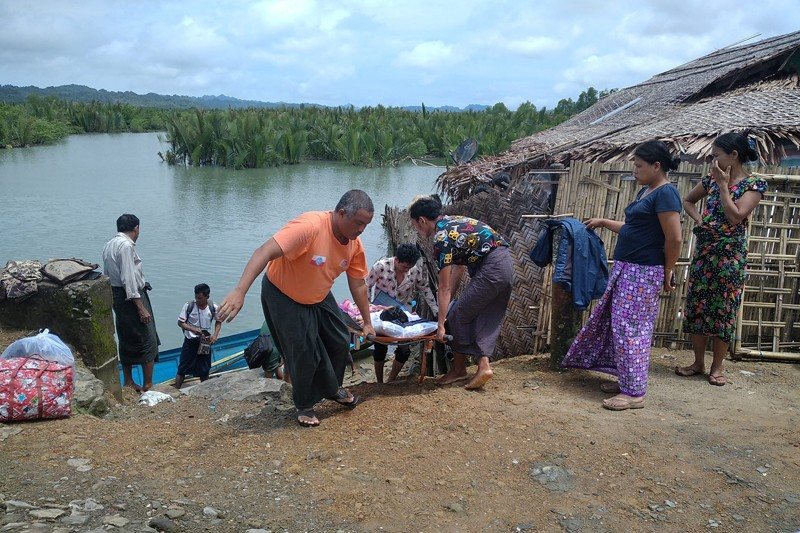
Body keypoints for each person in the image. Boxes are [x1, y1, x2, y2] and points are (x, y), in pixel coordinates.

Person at [217, 190, 376, 428]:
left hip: (318, 293)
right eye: (358, 223)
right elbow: (263, 252)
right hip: (283, 292)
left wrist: (367, 321)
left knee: (340, 340)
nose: (362, 229)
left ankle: (332, 389)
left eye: (366, 224)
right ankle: (304, 404)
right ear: (341, 213)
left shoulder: (354, 244)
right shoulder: (309, 227)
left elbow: (358, 285)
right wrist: (240, 291)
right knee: (303, 350)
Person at [561, 140, 683, 410]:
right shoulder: (648, 192)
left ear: (656, 166)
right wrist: (604, 222)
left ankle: (635, 393)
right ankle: (627, 380)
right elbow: (633, 229)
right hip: (629, 268)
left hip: (643, 272)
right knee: (620, 325)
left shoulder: (666, 194)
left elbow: (674, 238)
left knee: (632, 329)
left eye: (639, 166)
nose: (635, 170)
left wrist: (668, 269)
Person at [676, 132, 767, 386]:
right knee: (698, 305)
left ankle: (717, 368)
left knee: (724, 308)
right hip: (705, 251)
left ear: (734, 155)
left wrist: (724, 186)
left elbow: (735, 216)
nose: (712, 161)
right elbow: (688, 200)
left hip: (730, 255)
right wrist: (699, 219)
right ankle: (697, 363)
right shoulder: (710, 180)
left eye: (716, 156)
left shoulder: (754, 185)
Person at [408, 195, 513, 390]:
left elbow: (444, 286)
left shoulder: (440, 237)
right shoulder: (452, 222)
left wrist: (441, 323)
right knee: (482, 315)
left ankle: (460, 369)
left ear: (422, 220)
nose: (417, 230)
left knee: (456, 315)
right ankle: (483, 366)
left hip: (492, 267)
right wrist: (446, 304)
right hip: (505, 263)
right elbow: (459, 268)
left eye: (415, 225)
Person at [102, 214, 160, 392]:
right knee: (148, 339)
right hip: (131, 298)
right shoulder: (126, 246)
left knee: (126, 336)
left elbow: (109, 275)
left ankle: (128, 381)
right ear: (136, 228)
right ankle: (148, 384)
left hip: (116, 296)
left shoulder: (109, 244)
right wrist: (140, 307)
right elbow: (128, 278)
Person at [366, 243, 439, 383]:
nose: (407, 270)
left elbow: (424, 289)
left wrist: (435, 309)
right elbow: (367, 286)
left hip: (403, 314)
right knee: (380, 348)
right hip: (382, 313)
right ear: (397, 260)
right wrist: (368, 310)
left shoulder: (414, 271)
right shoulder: (381, 267)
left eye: (409, 267)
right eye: (404, 267)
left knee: (404, 351)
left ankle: (391, 380)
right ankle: (380, 382)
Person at [174, 283, 223, 389]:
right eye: (196, 297)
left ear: (207, 297)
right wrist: (193, 329)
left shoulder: (213, 307)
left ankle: (204, 390)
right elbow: (180, 323)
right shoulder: (189, 306)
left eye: (200, 298)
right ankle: (176, 390)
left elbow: (218, 321)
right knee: (183, 368)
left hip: (205, 342)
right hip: (190, 341)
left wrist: (215, 335)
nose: (197, 300)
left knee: (204, 369)